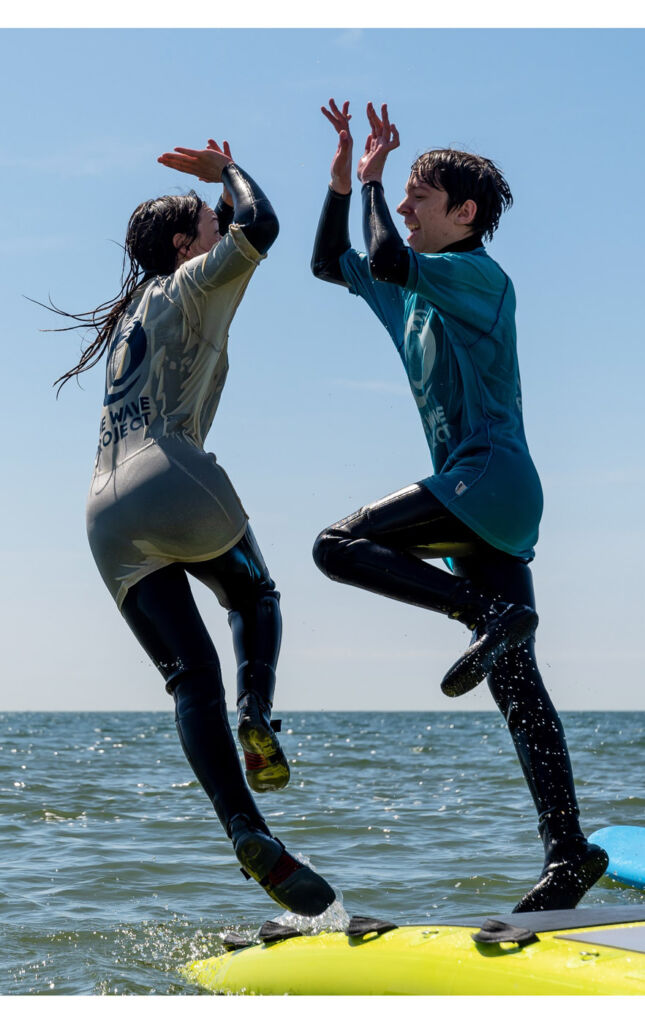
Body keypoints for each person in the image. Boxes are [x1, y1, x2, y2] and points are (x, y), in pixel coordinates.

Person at [311, 98, 607, 913]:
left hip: (491, 482)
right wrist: (341, 186)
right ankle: (567, 855)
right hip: (485, 503)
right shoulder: (409, 291)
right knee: (516, 686)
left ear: (464, 213)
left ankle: (483, 614)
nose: (403, 207)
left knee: (335, 546)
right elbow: (332, 263)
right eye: (401, 195)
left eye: (418, 195)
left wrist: (370, 182)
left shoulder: (477, 275)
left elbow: (381, 248)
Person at [53, 137, 335, 918]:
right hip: (169, 475)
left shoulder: (132, 316)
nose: (219, 227)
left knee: (186, 678)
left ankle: (246, 830)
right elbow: (263, 225)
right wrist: (228, 177)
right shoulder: (188, 281)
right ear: (183, 246)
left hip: (104, 512)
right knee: (253, 598)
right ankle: (256, 716)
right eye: (206, 224)